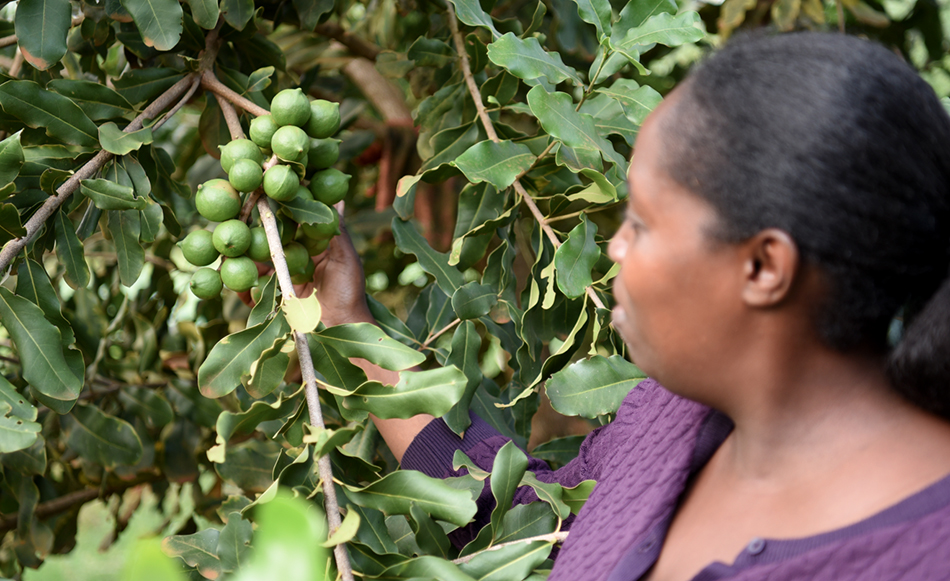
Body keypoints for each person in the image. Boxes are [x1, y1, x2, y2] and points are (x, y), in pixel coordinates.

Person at [308, 32, 950, 580]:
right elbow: (519, 518)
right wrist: (347, 320)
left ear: (763, 267)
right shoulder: (671, 418)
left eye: (640, 223)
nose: (613, 249)